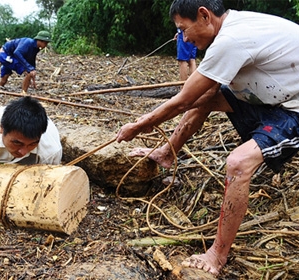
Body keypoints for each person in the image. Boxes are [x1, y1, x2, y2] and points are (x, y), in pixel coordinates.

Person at [116, 0, 299, 276]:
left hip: (292, 108)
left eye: (183, 29)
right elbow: (197, 98)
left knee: (238, 163)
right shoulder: (232, 26)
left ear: (204, 15)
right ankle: (167, 153)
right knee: (204, 100)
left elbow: (181, 101)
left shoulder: (230, 40)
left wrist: (138, 125)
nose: (183, 37)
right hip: (272, 94)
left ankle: (217, 254)